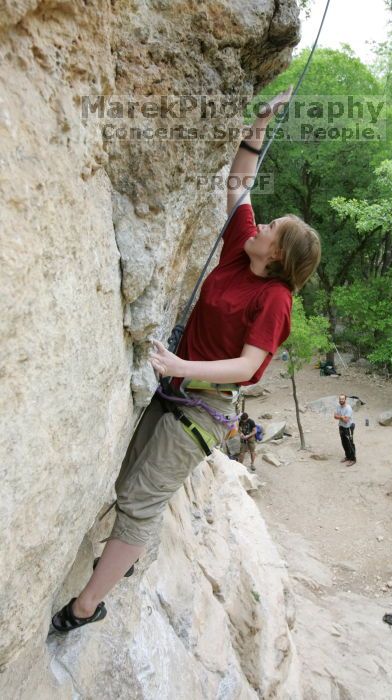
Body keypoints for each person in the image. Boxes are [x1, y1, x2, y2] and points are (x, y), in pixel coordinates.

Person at [51, 86, 321, 633]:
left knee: (140, 500)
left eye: (274, 230)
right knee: (126, 481)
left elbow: (247, 367)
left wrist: (180, 368)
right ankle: (122, 560)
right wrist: (260, 123)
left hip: (201, 408)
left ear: (279, 257)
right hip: (178, 386)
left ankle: (86, 607)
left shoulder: (274, 298)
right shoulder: (242, 251)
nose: (263, 226)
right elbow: (239, 184)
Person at [334, 394, 356, 466]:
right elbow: (335, 416)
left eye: (342, 399)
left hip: (348, 427)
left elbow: (346, 420)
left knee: (350, 443)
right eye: (340, 399)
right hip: (341, 426)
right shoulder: (338, 406)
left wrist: (340, 417)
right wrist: (342, 417)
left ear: (345, 400)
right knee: (344, 442)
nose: (341, 400)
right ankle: (347, 456)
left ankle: (353, 459)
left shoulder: (348, 408)